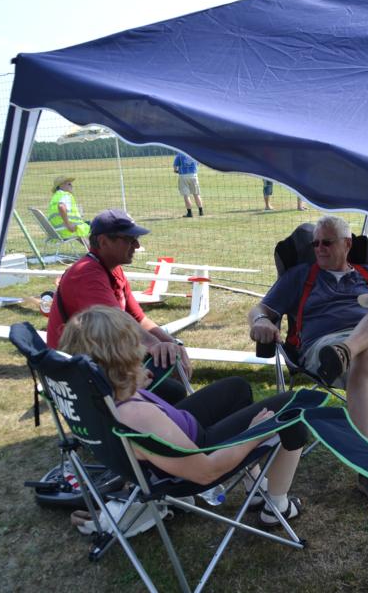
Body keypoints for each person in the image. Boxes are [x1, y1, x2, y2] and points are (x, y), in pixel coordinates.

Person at [59, 305, 305, 527]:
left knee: (236, 388)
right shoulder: (137, 416)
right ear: (122, 355)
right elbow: (206, 472)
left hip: (178, 437)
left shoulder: (95, 397)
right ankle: (277, 507)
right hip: (197, 460)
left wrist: (132, 383)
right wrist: (254, 434)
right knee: (293, 406)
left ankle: (255, 488)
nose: (141, 347)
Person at [247, 215, 368, 444]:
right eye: (315, 243)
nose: (319, 249)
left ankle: (347, 350)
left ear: (347, 244)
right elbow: (259, 309)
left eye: (326, 242)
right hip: (325, 348)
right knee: (367, 352)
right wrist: (261, 320)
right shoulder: (299, 276)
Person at [46, 209, 190, 404]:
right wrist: (157, 346)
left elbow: (138, 318)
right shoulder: (87, 274)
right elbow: (119, 324)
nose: (137, 245)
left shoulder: (113, 269)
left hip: (103, 360)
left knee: (170, 375)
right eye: (130, 239)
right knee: (173, 391)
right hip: (80, 373)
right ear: (103, 241)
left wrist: (173, 344)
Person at [173, 153, 204, 217]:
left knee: (186, 195)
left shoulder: (180, 154)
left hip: (183, 176)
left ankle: (189, 213)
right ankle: (201, 211)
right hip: (193, 175)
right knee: (196, 194)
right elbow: (198, 163)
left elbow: (175, 166)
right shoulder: (194, 153)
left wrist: (176, 171)